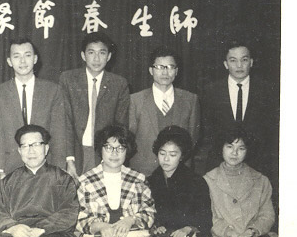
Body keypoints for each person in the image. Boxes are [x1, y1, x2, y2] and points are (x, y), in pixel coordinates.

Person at [200, 41, 278, 188]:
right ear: (225, 64)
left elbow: (271, 132)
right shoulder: (211, 91)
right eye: (233, 60)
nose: (239, 65)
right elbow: (207, 132)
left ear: (251, 62)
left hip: (258, 165)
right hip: (220, 165)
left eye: (244, 60)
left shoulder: (268, 91)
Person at [0, 38, 67, 180]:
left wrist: (60, 169)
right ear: (9, 61)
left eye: (27, 55)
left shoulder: (53, 90)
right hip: (10, 168)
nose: (22, 61)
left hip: (46, 167)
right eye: (17, 56)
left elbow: (58, 133)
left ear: (35, 59)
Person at [59, 32, 130, 176]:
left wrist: (112, 156)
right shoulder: (68, 79)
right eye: (91, 52)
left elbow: (121, 125)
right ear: (83, 55)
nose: (96, 58)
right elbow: (65, 121)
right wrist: (69, 159)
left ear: (109, 56)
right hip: (77, 152)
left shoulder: (119, 84)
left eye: (102, 53)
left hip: (105, 153)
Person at [129, 47, 200, 176]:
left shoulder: (190, 99)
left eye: (170, 67)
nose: (165, 72)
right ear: (151, 70)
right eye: (160, 67)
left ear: (176, 71)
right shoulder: (135, 100)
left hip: (179, 172)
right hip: (143, 172)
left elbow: (193, 138)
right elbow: (130, 138)